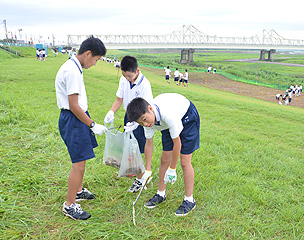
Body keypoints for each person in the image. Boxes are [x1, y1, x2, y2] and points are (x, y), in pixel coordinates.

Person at [55, 36, 108, 220]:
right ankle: (70, 205)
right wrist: (92, 125)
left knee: (82, 159)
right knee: (78, 163)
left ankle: (78, 191)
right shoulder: (71, 71)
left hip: (77, 117)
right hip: (74, 118)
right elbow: (74, 105)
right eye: (96, 59)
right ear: (88, 54)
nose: (95, 63)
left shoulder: (75, 67)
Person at [126, 93, 200, 216]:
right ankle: (161, 193)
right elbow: (148, 144)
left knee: (184, 161)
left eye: (144, 120)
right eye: (140, 123)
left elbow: (177, 144)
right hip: (163, 123)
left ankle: (189, 200)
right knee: (165, 158)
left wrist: (172, 169)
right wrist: (147, 170)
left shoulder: (168, 115)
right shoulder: (147, 121)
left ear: (150, 109)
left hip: (187, 117)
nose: (144, 124)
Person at [104, 55, 154, 193]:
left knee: (138, 148)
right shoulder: (123, 80)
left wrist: (138, 123)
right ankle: (139, 175)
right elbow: (119, 99)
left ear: (137, 71)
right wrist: (111, 112)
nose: (127, 78)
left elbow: (147, 109)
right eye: (124, 75)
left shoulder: (145, 84)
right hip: (129, 117)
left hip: (141, 118)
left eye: (129, 76)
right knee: (130, 147)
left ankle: (141, 179)